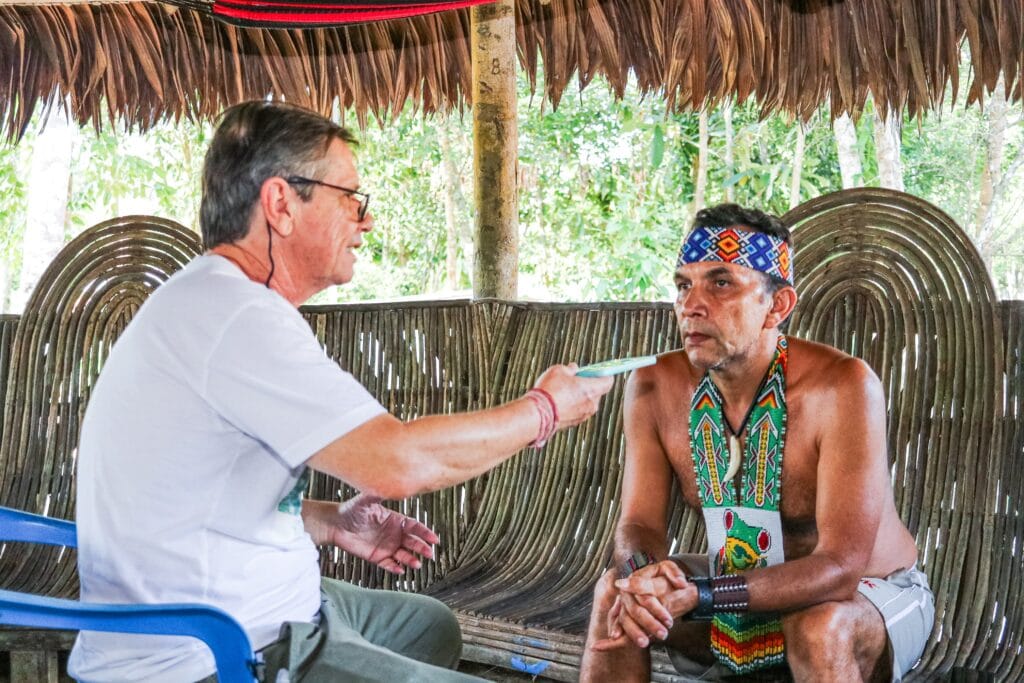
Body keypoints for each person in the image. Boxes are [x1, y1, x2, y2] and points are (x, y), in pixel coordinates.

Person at [67, 100, 613, 682]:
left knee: (431, 626)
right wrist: (545, 409)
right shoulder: (236, 317)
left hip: (263, 607)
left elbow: (188, 500)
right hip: (217, 653)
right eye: (349, 197)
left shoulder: (209, 301)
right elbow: (398, 462)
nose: (365, 219)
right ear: (281, 204)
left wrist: (329, 522)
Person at [579, 204, 934, 682]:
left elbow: (840, 568)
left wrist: (704, 595)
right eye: (684, 284)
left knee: (819, 626)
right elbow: (639, 523)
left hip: (871, 596)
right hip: (742, 581)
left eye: (721, 283)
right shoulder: (653, 385)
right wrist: (644, 574)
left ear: (778, 306)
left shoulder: (842, 386)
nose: (691, 304)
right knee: (616, 592)